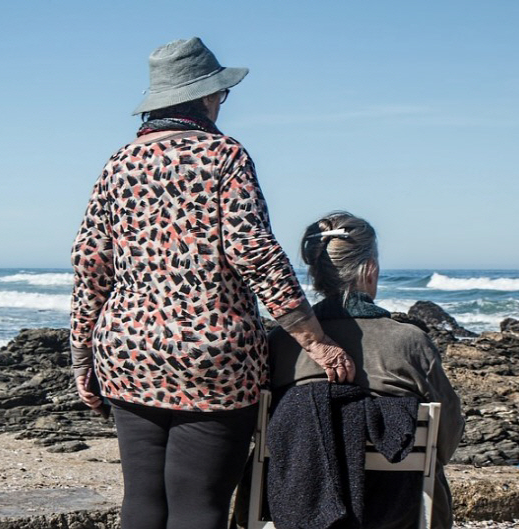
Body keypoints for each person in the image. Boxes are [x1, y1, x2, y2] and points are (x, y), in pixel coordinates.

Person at [69, 37, 355, 529]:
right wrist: (318, 342)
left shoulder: (118, 164)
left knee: (141, 500)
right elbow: (255, 253)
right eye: (222, 94)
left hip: (127, 350)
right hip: (213, 356)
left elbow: (90, 265)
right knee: (198, 505)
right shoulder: (225, 156)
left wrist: (81, 357)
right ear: (206, 96)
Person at [267, 211, 464, 529]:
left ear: (316, 275)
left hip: (290, 504)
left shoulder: (280, 341)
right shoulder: (409, 340)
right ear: (370, 269)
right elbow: (447, 432)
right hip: (399, 510)